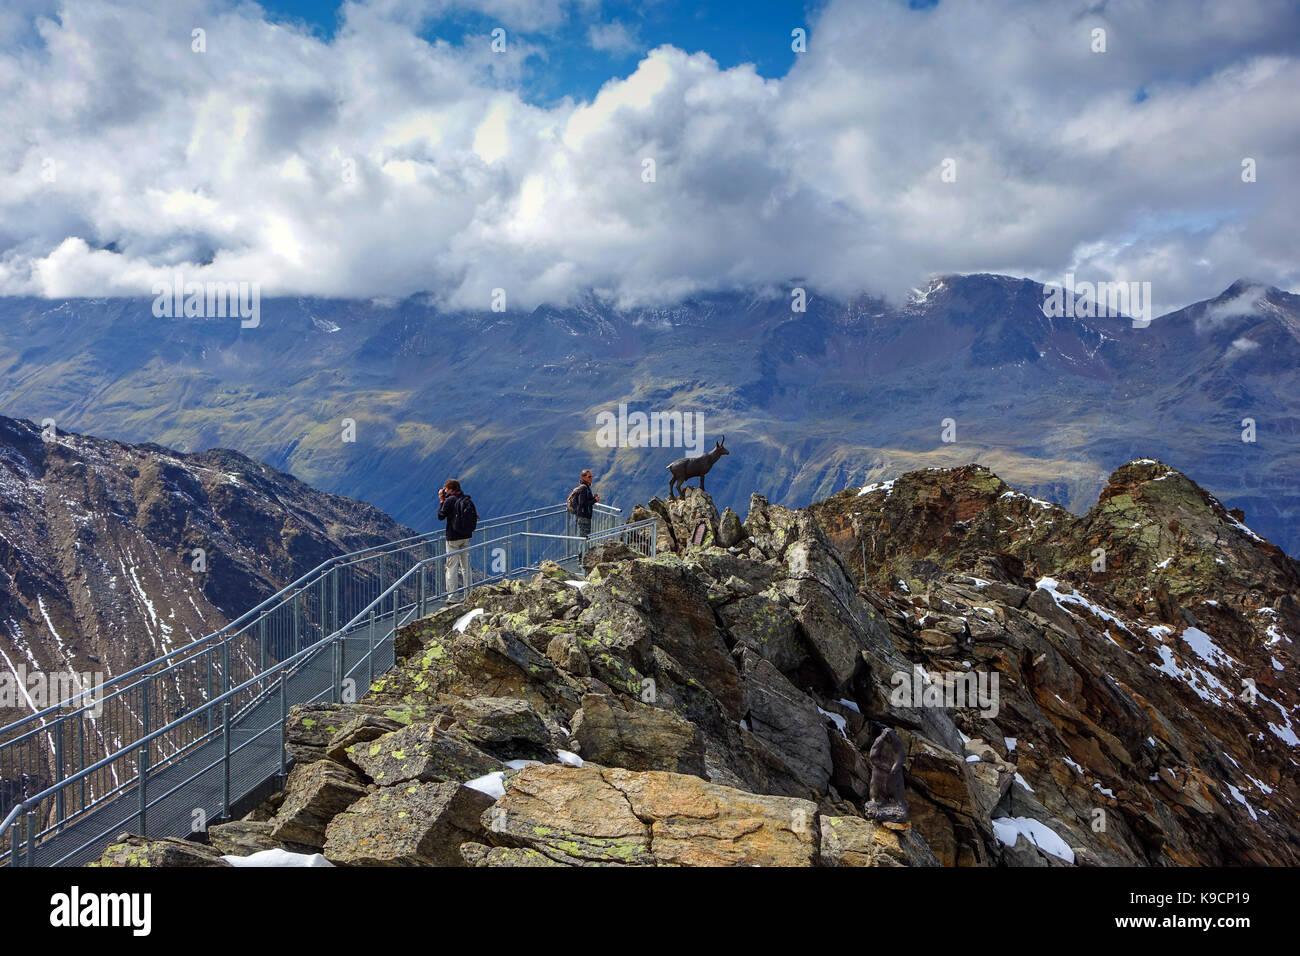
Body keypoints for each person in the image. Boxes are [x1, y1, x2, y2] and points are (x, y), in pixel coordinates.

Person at [437, 479, 478, 602]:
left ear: (450, 489)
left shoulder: (450, 500)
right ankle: (469, 594)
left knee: (451, 567)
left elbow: (440, 516)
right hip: (466, 536)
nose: (444, 491)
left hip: (453, 538)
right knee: (466, 566)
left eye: (445, 489)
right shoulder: (466, 499)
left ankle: (453, 597)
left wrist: (441, 501)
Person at [566, 469, 600, 538]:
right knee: (584, 538)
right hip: (584, 516)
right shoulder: (584, 489)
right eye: (589, 477)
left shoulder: (585, 487)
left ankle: (584, 549)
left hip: (582, 516)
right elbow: (582, 503)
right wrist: (594, 500)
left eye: (591, 476)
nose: (591, 478)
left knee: (584, 537)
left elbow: (585, 500)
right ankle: (584, 549)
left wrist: (593, 498)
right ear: (584, 478)